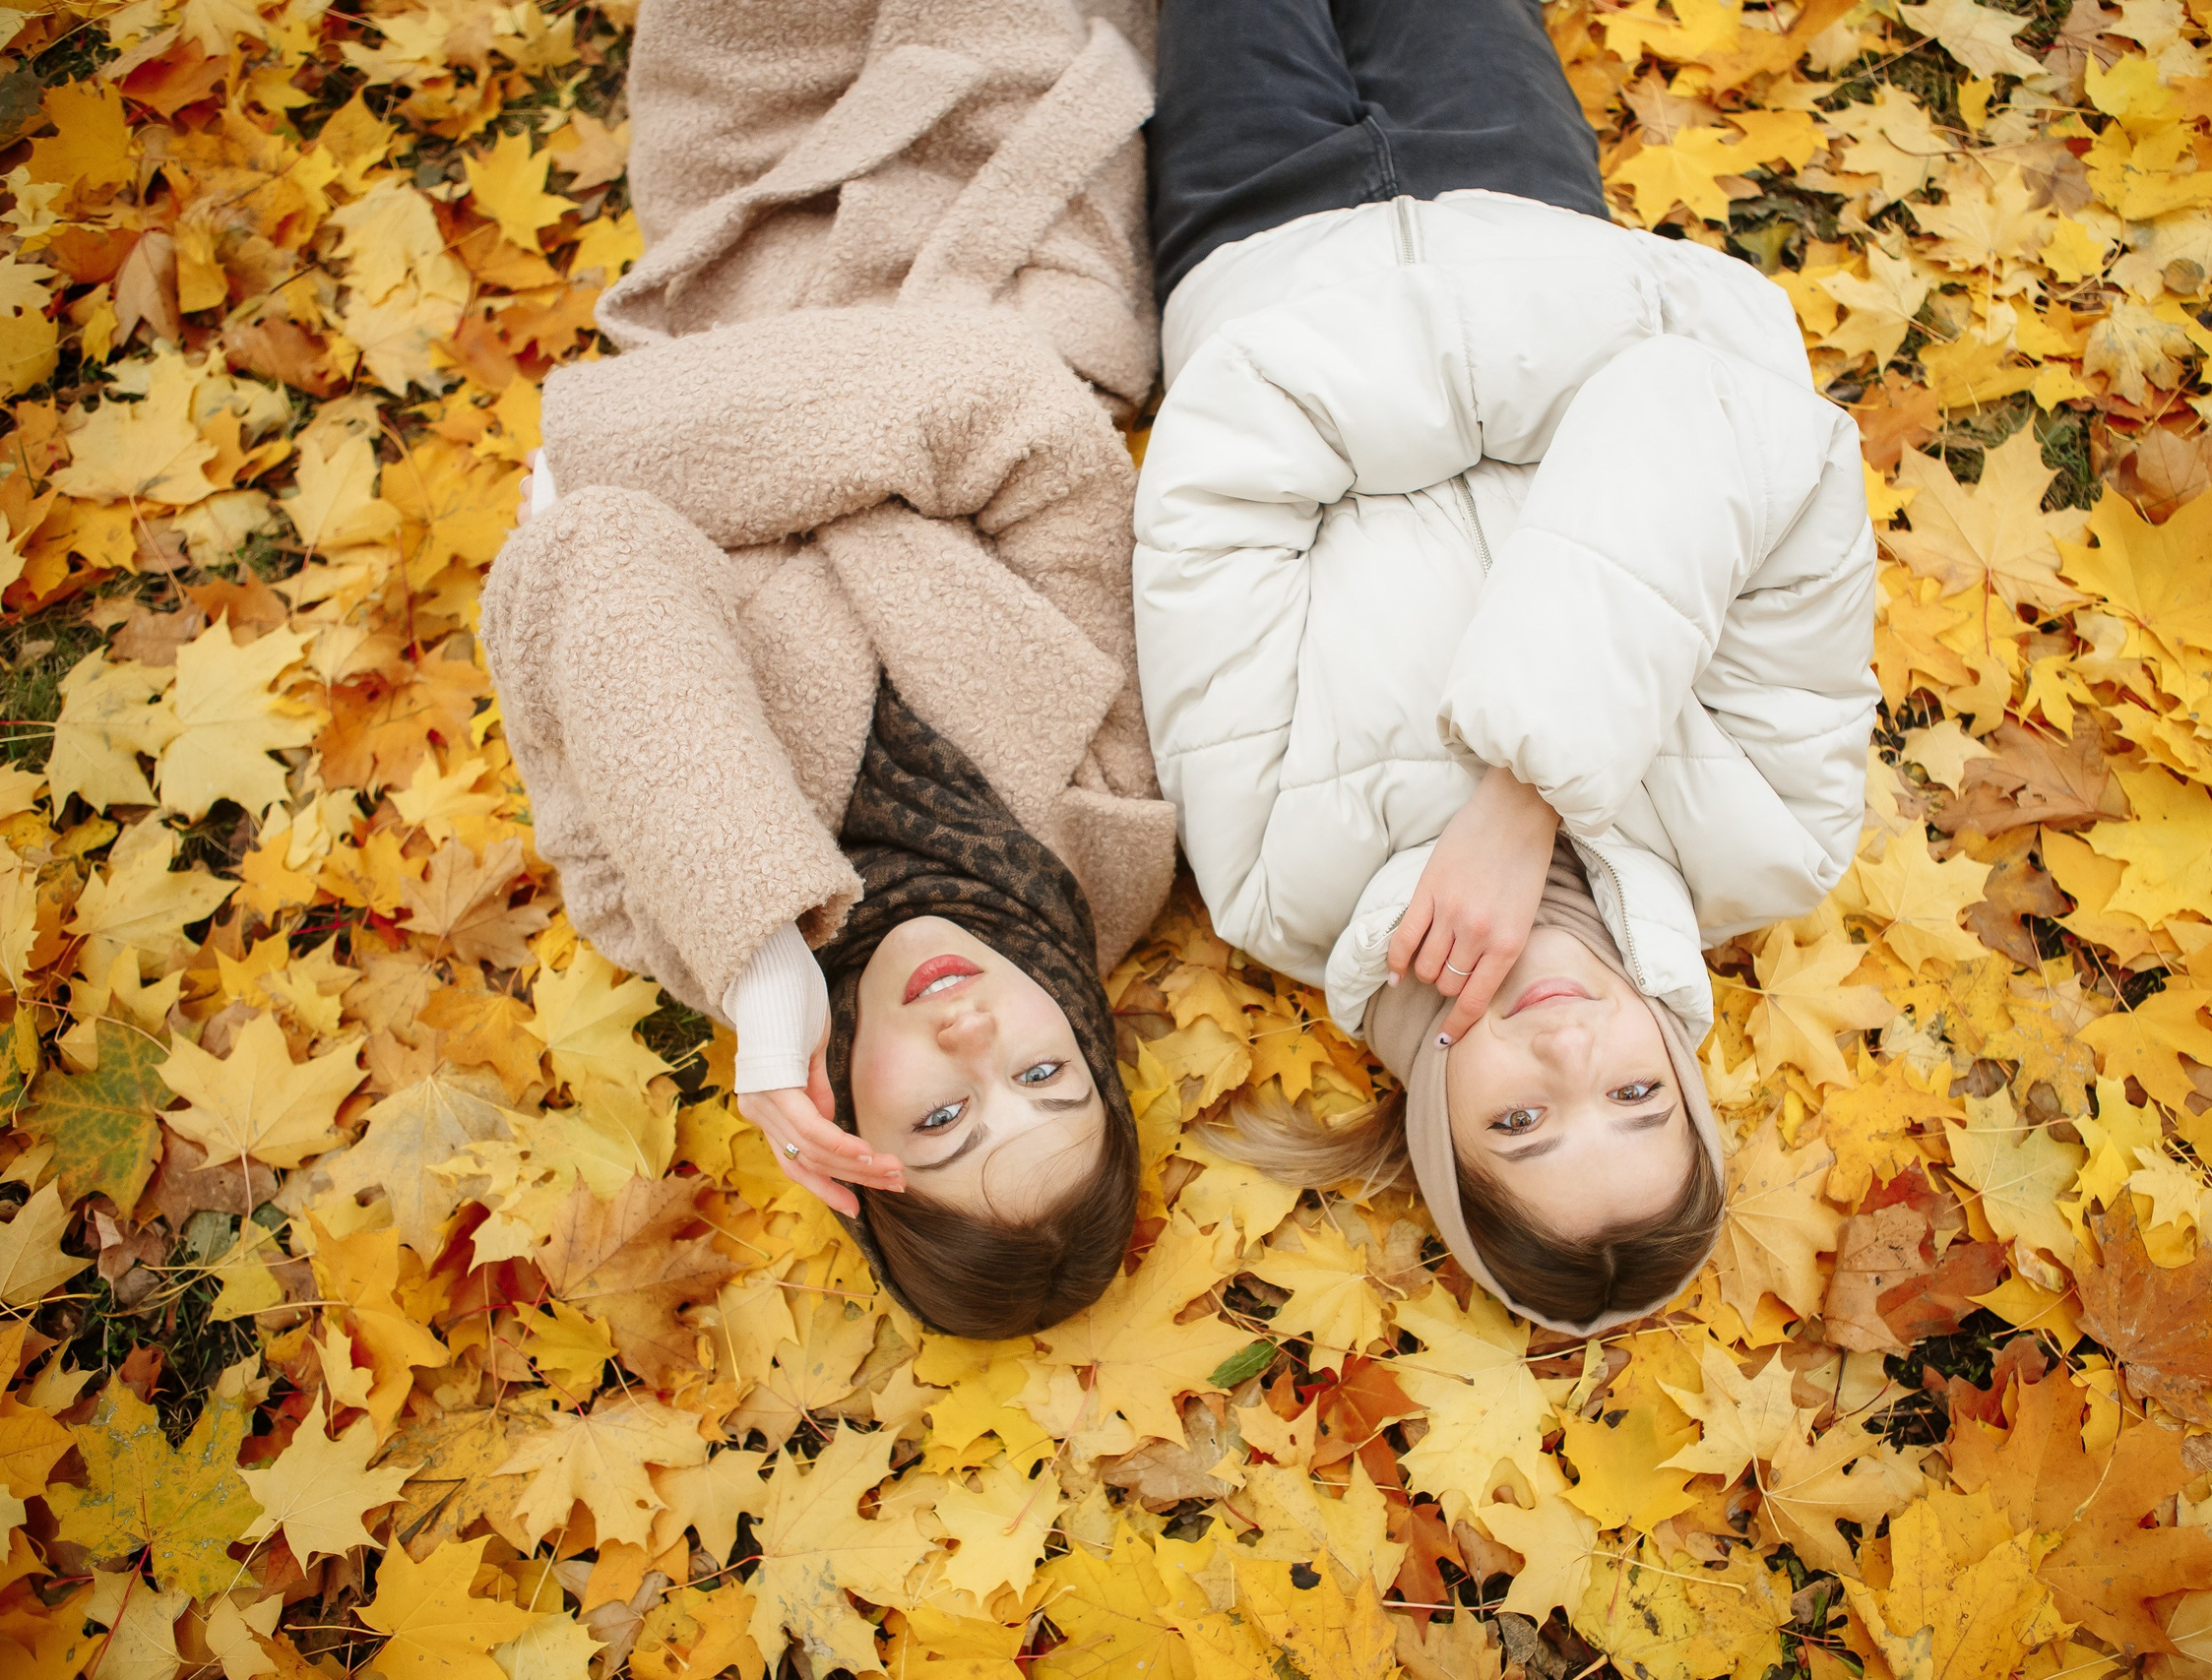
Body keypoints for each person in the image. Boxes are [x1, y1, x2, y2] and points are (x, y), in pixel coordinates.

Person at [1133, 0, 1878, 1335]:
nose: (1568, 1048)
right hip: (1515, 181)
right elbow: (1731, 418)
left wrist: (1542, 396)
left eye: (1523, 1123)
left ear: (1438, 1121)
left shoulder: (1275, 886)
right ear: (1681, 1067)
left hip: (1255, 234)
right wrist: (1525, 790)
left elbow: (1223, 470)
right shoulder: (1775, 830)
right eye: (1636, 1097)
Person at [482, 0, 1174, 1340]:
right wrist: (645, 449)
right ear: (1093, 1048)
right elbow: (1030, 438)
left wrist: (760, 954)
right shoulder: (1114, 837)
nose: (978, 1042)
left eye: (944, 1118)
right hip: (997, 228)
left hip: (750, 226)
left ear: (847, 1130)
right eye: (1046, 1078)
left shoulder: (670, 913)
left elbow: (599, 553)